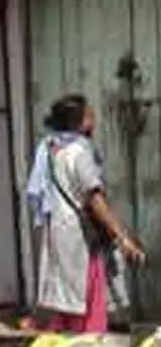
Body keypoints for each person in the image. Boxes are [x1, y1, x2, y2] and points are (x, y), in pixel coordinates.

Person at [29, 93, 145, 333]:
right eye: (90, 115)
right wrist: (122, 237)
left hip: (59, 233)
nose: (94, 118)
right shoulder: (79, 153)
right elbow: (94, 200)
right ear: (80, 122)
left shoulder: (52, 151)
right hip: (81, 236)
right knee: (89, 294)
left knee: (67, 298)